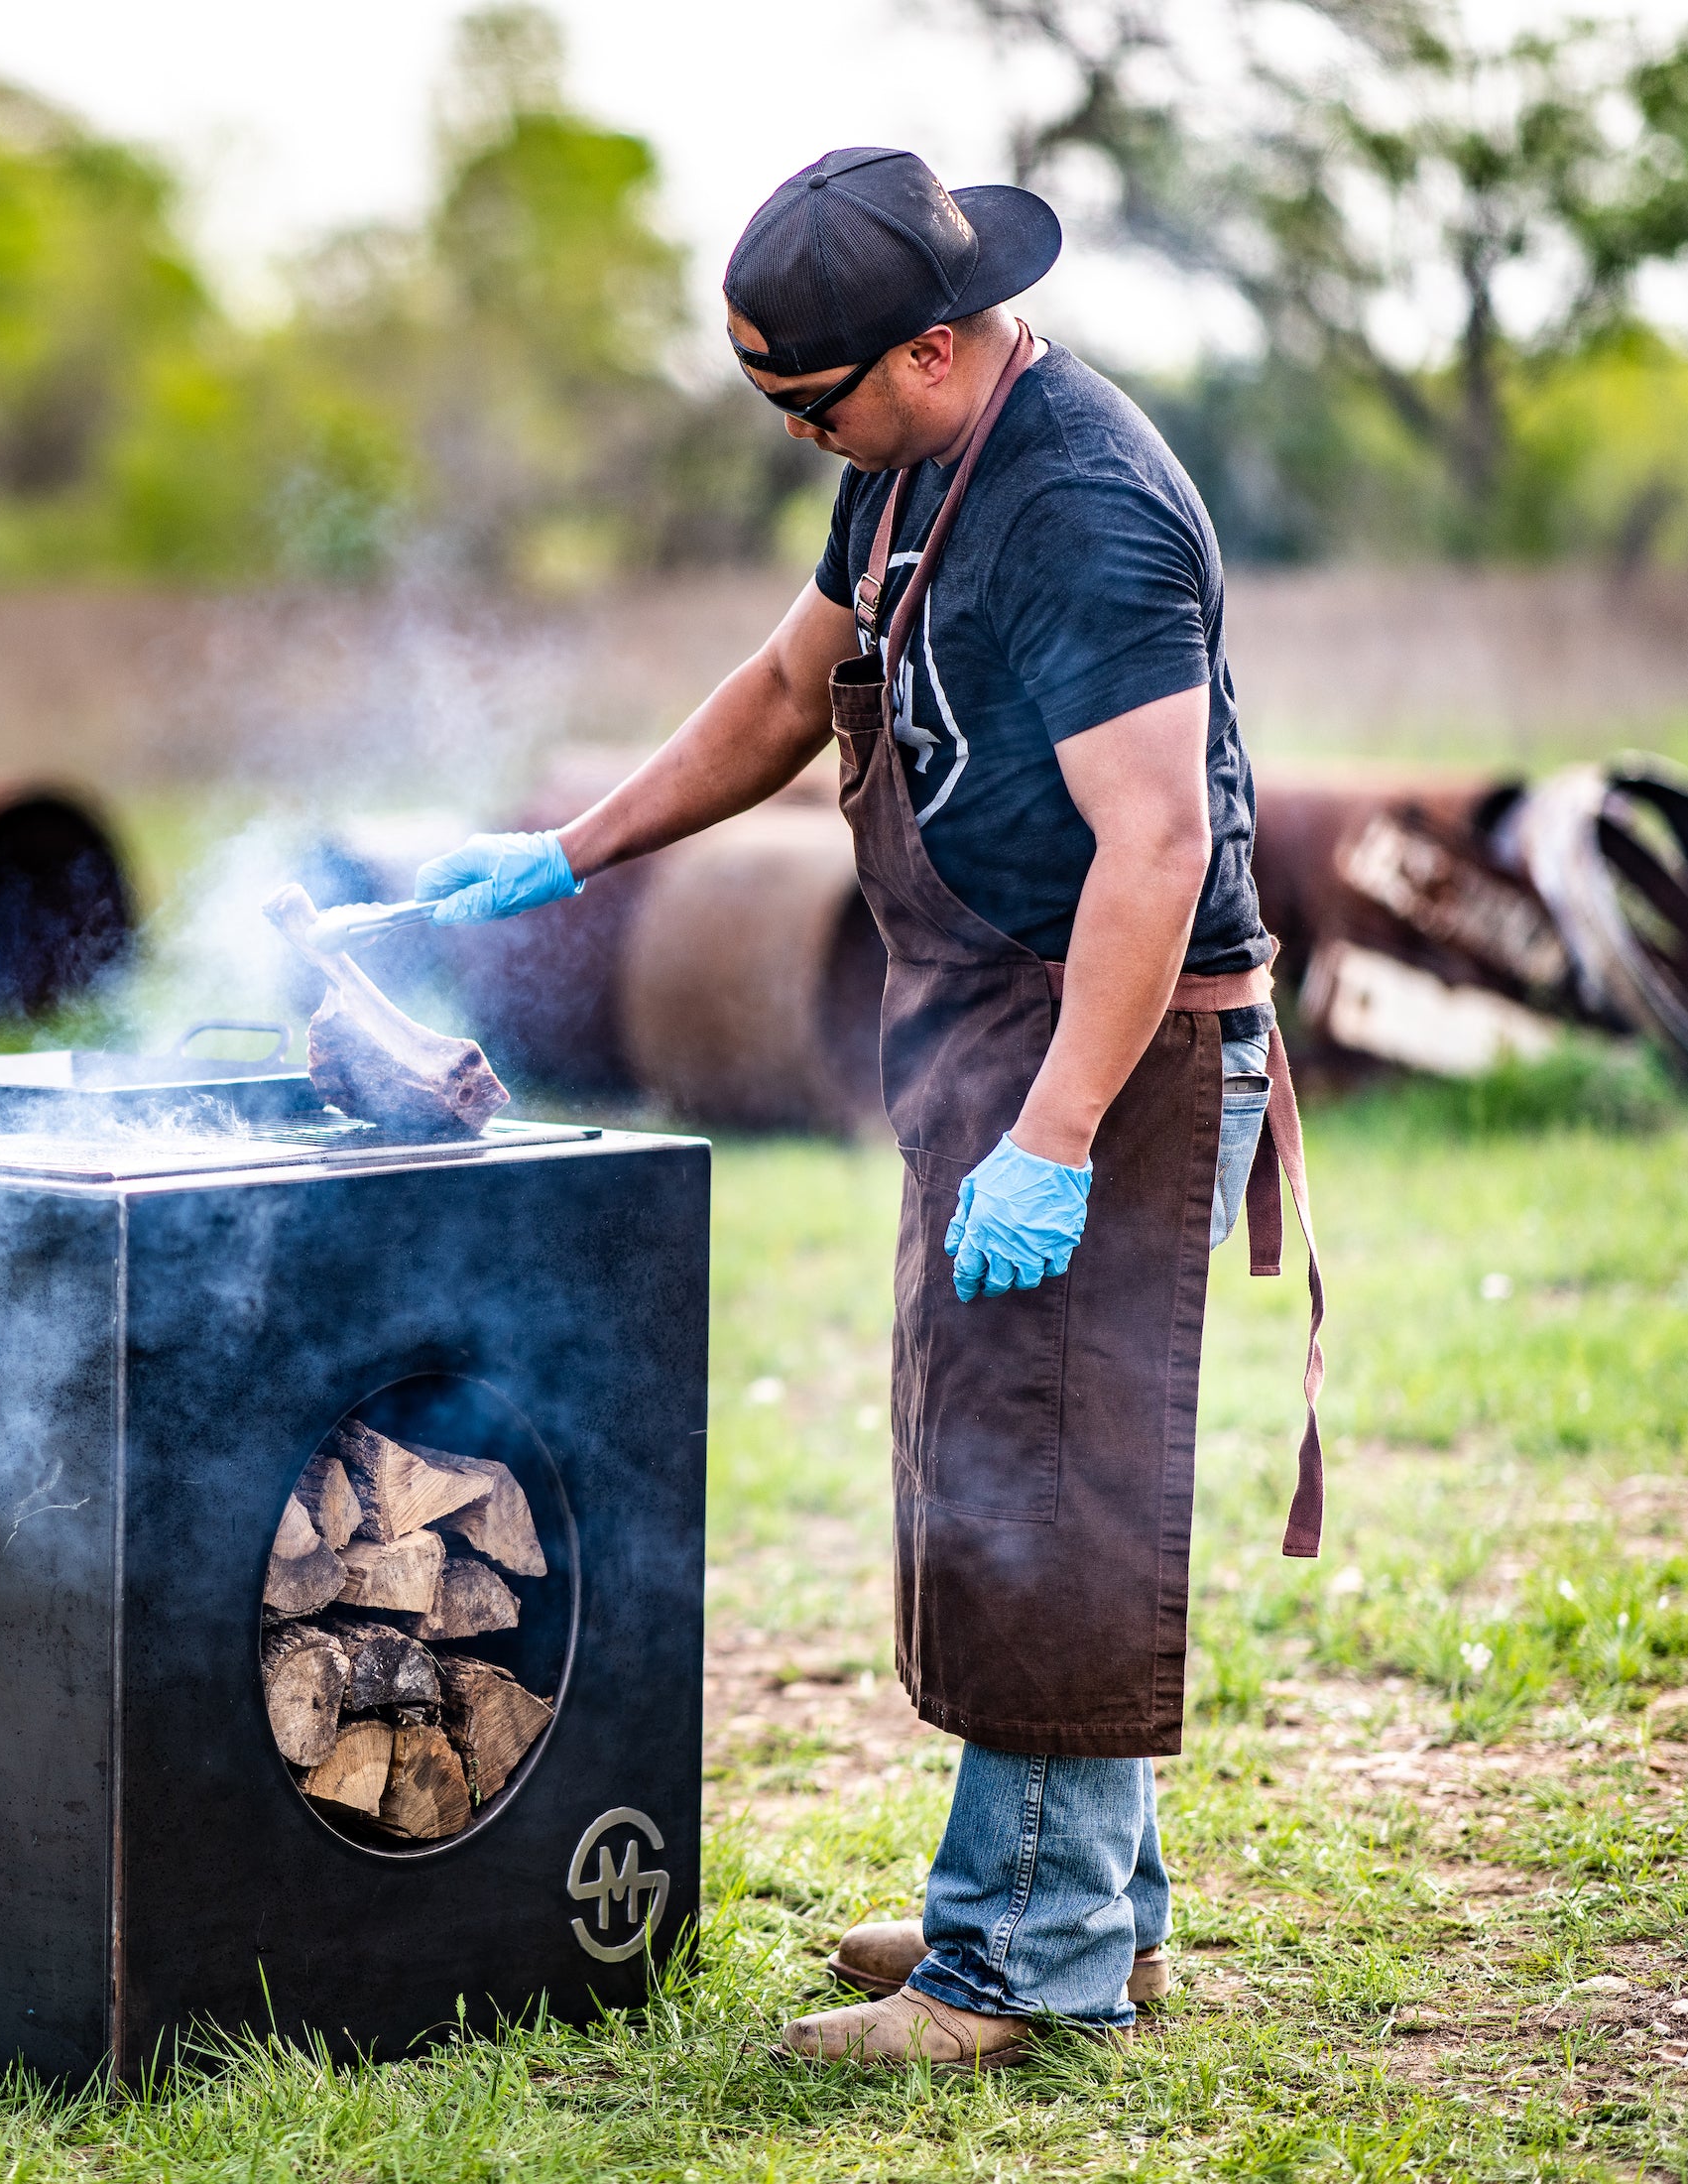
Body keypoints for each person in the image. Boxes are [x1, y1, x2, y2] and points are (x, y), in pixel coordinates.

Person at [416, 146, 1324, 2068]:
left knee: (1054, 1489)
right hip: (987, 1024)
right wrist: (572, 853)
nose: (793, 433)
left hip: (1115, 1047)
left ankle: (1018, 1961)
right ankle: (1076, 1906)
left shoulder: (1079, 508)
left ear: (928, 345)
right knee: (996, 1471)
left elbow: (1155, 849)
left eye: (805, 399)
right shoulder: (905, 468)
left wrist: (1055, 1134)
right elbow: (782, 686)